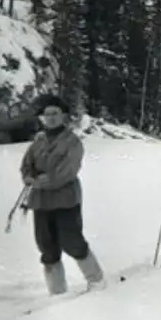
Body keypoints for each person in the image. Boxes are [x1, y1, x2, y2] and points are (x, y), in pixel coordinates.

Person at [19, 95, 106, 295]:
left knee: (72, 241)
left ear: (64, 116)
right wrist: (28, 177)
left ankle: (96, 281)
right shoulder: (38, 141)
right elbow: (26, 165)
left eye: (55, 113)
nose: (51, 118)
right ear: (41, 118)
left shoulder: (72, 141)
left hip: (66, 199)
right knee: (46, 247)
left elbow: (67, 171)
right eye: (47, 114)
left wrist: (39, 181)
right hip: (41, 202)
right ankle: (57, 292)